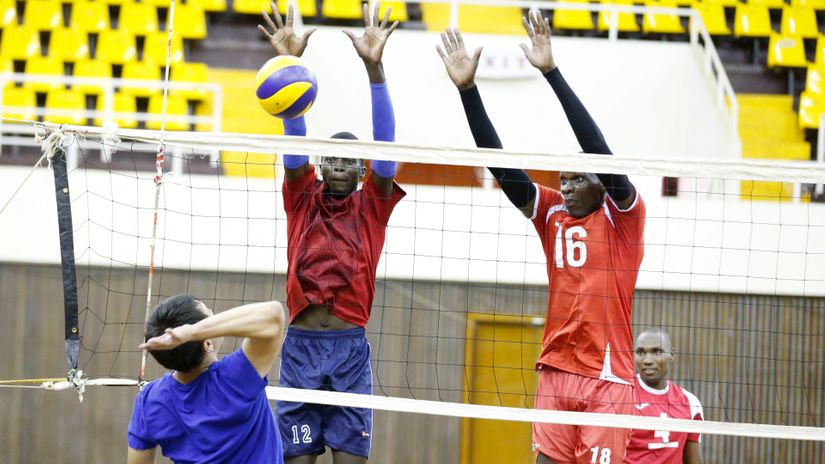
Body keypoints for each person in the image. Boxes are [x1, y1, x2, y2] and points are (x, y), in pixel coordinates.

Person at [436, 10, 646, 464]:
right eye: (563, 179)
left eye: (577, 179)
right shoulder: (550, 211)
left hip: (606, 376)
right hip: (555, 368)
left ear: (602, 185)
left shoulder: (623, 217)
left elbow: (599, 151)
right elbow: (502, 166)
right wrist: (468, 92)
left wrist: (551, 73)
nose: (567, 187)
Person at [257, 3, 405, 463]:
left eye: (350, 160)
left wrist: (374, 68)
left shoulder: (372, 205)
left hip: (348, 352)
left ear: (362, 170)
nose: (340, 163)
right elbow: (295, 141)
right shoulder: (301, 196)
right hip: (299, 350)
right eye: (332, 158)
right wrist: (290, 66)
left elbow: (386, 153)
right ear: (321, 165)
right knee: (297, 459)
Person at [126, 295, 286, 464]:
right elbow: (273, 315)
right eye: (210, 317)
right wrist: (192, 332)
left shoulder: (149, 401)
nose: (214, 316)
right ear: (207, 343)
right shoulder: (237, 377)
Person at [624, 329, 704, 464]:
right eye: (641, 352)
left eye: (657, 352)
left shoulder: (690, 403)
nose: (647, 360)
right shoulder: (622, 396)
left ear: (671, 355)